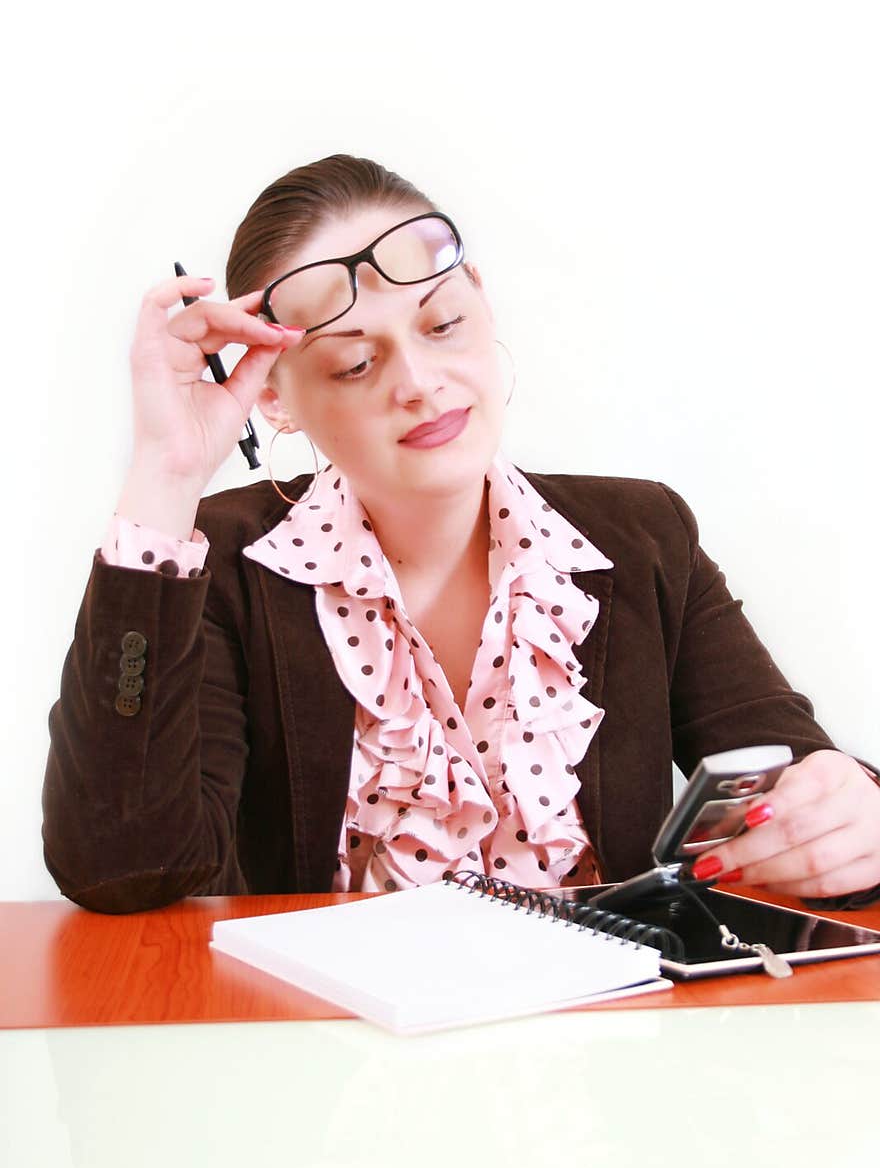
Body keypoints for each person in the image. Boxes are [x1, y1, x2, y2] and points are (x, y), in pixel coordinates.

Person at [41, 153, 880, 915]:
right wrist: (166, 474)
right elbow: (121, 868)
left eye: (442, 326)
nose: (419, 383)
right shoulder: (227, 563)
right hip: (323, 1065)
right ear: (275, 398)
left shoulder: (643, 535)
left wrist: (848, 814)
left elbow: (805, 781)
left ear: (481, 298)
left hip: (608, 1055)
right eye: (353, 364)